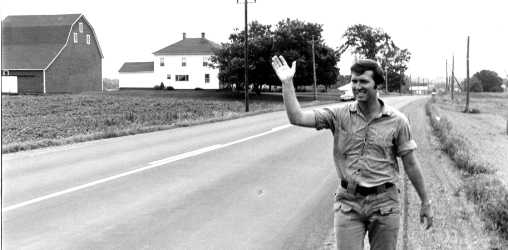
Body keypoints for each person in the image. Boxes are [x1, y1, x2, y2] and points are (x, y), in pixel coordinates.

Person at [271, 55, 433, 250]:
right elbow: (297, 117)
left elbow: (411, 164)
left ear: (377, 85)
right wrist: (287, 83)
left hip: (385, 204)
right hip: (348, 203)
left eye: (363, 81)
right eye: (354, 81)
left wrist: (425, 201)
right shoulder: (339, 115)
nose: (357, 86)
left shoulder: (398, 121)